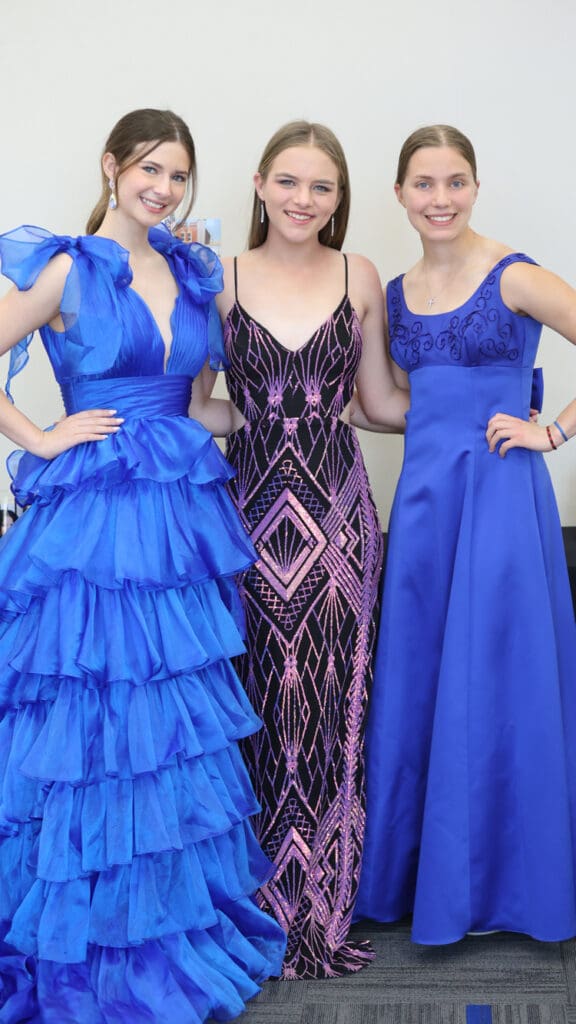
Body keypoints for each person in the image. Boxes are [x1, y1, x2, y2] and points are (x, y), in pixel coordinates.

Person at [0, 108, 286, 1023]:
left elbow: (198, 408)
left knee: (164, 722)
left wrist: (299, 416)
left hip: (176, 523)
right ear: (112, 167)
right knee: (97, 714)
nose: (163, 188)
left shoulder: (193, 271)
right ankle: (84, 934)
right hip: (94, 529)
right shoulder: (68, 267)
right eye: (150, 169)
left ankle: (159, 922)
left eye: (178, 174)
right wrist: (41, 435)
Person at [188, 120, 409, 978]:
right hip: (243, 519)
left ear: (339, 198)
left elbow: (377, 402)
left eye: (321, 186)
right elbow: (195, 405)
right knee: (250, 705)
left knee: (327, 707)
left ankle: (321, 905)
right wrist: (257, 416)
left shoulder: (359, 275)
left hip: (340, 526)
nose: (302, 199)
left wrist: (478, 408)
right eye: (288, 181)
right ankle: (250, 907)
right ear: (258, 184)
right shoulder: (218, 277)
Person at [354, 123, 576, 945]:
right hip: (424, 505)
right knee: (420, 677)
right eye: (423, 183)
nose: (439, 198)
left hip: (500, 496)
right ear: (400, 193)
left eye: (454, 182)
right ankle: (426, 880)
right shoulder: (397, 294)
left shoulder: (514, 274)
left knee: (499, 672)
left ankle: (511, 885)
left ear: (476, 187)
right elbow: (388, 404)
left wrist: (552, 431)